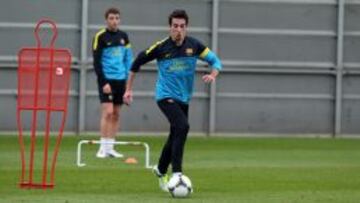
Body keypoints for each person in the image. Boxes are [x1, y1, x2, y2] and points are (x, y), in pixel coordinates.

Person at [123, 9, 222, 191]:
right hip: (165, 96)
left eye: (182, 26)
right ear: (170, 27)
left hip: (184, 98)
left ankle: (160, 170)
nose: (178, 30)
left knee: (176, 133)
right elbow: (136, 63)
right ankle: (177, 173)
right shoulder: (161, 47)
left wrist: (213, 75)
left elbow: (216, 61)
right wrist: (128, 90)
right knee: (183, 126)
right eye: (175, 26)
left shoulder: (195, 46)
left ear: (186, 28)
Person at [92, 7, 133, 158]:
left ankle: (111, 148)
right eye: (111, 18)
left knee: (116, 114)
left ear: (119, 20)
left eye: (117, 18)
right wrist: (104, 82)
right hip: (107, 80)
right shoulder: (100, 37)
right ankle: (102, 148)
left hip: (121, 80)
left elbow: (128, 59)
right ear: (106, 20)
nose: (114, 21)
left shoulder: (124, 36)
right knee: (108, 112)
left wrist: (129, 83)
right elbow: (96, 63)